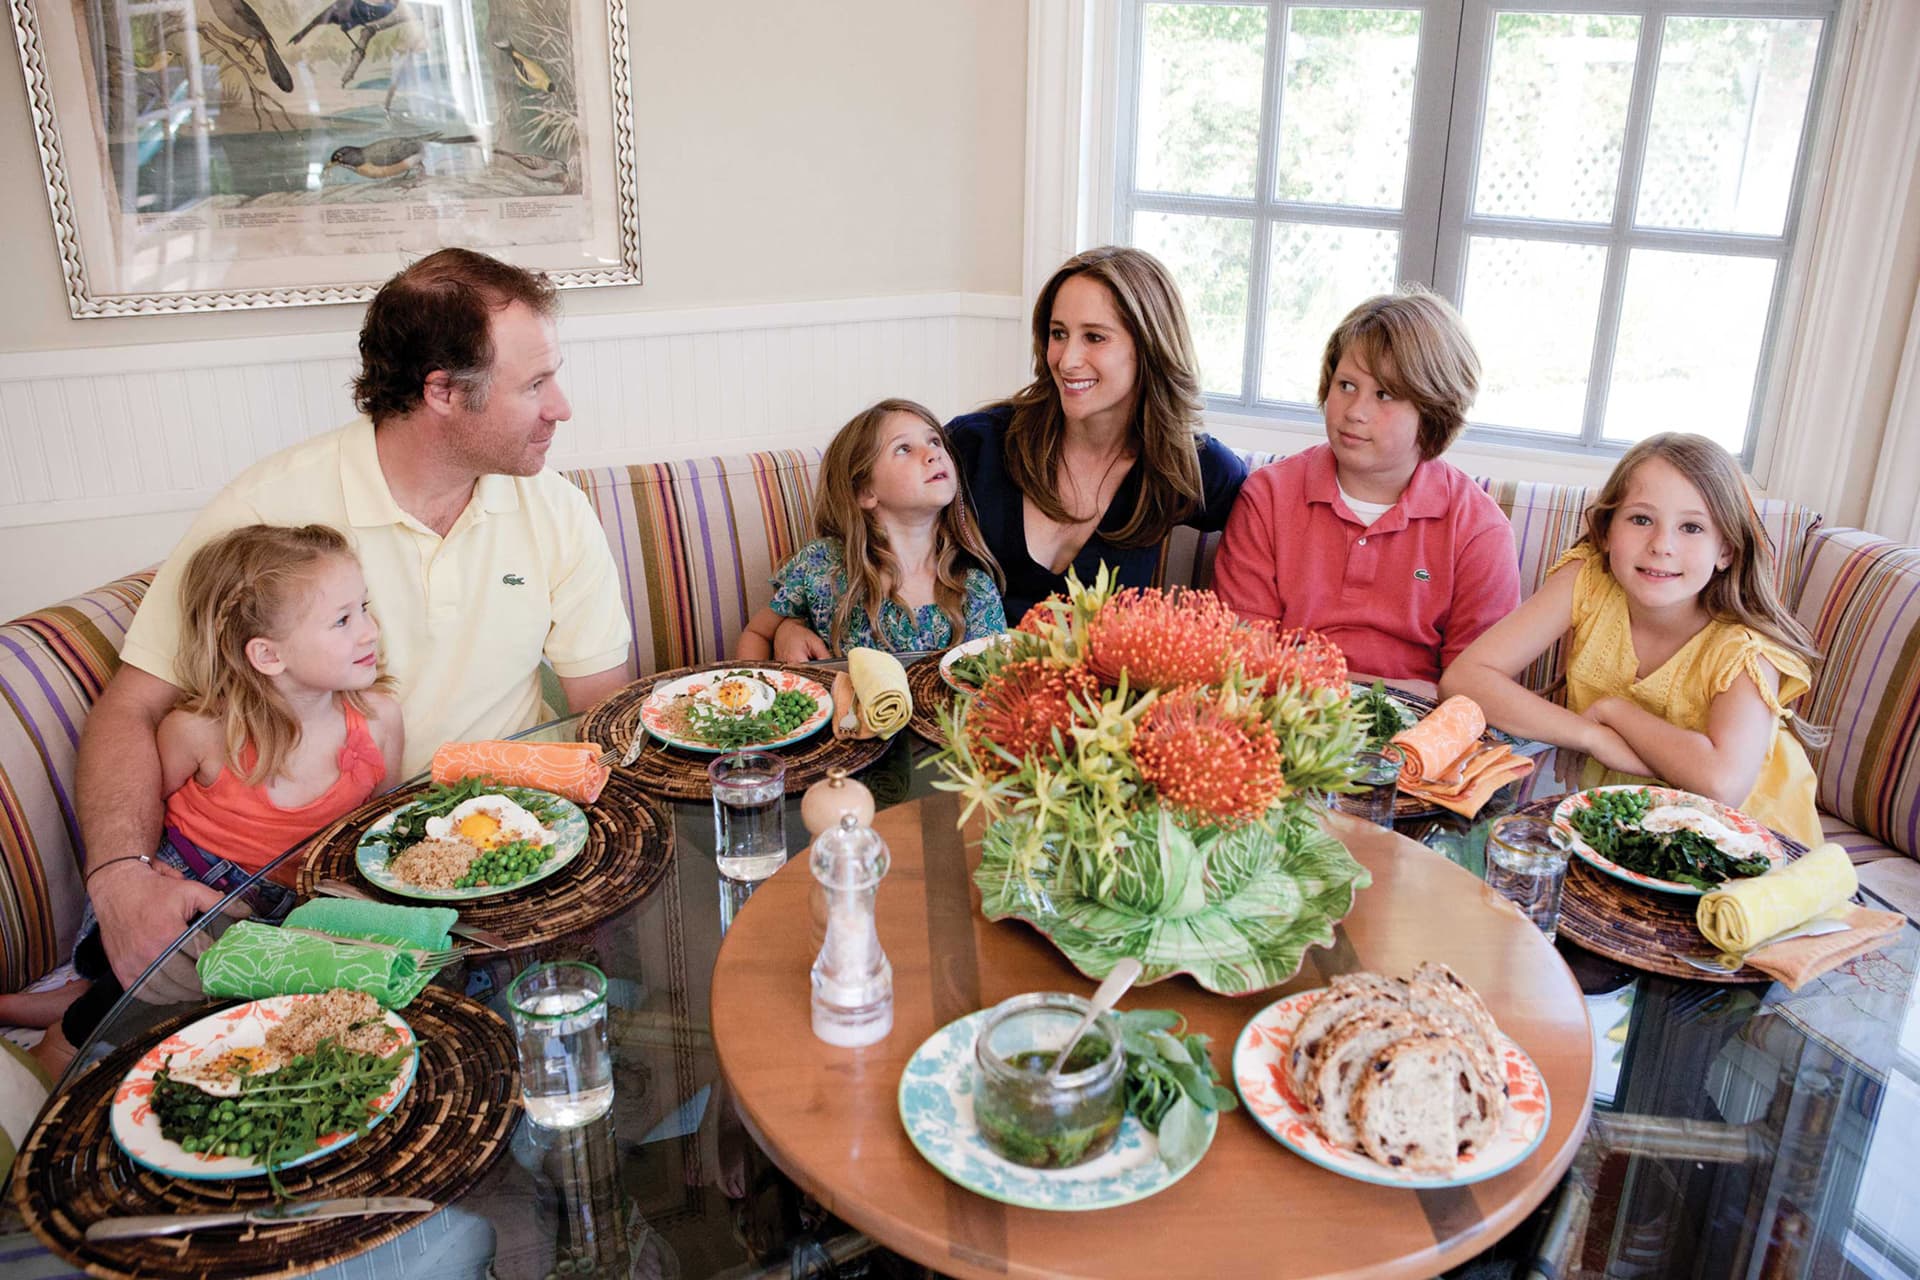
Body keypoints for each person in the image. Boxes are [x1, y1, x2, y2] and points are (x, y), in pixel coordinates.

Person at [74, 248, 633, 997]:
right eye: (534, 383)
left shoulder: (555, 509)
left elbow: (605, 713)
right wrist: (119, 879)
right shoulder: (267, 508)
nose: (560, 405)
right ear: (442, 391)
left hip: (510, 856)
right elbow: (131, 706)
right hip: (316, 886)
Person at [1, 525, 404, 1073]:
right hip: (188, 891)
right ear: (266, 654)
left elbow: (373, 834)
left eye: (364, 608)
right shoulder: (200, 732)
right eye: (342, 620)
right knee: (175, 957)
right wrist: (147, 877)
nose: (369, 632)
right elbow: (153, 811)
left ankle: (74, 993)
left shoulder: (378, 721)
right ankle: (59, 1047)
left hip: (282, 907)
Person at [768, 246, 1246, 657]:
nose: (1067, 358)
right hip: (959, 712)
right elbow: (864, 534)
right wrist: (789, 625)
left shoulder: (1187, 467)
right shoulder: (979, 444)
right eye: (1058, 334)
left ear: (1149, 347)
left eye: (1094, 337)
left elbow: (1279, 512)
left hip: (1092, 722)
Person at [1440, 433, 1825, 846]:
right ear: (1606, 532)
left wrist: (1614, 711)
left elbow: (1722, 784)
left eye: (1692, 527)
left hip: (1745, 842)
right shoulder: (1590, 581)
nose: (1661, 545)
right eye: (1641, 519)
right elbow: (1464, 679)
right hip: (1629, 825)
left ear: (1726, 550)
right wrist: (1590, 735)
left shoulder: (1745, 652)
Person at [1210, 286, 1519, 692]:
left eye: (1384, 394)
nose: (1354, 412)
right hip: (1282, 718)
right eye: (1346, 386)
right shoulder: (1267, 496)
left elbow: (1476, 691)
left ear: (1434, 410)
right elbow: (1243, 659)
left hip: (1421, 736)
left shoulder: (1479, 529)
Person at [737, 399, 1005, 658]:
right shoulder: (822, 564)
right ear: (865, 491)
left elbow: (995, 687)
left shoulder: (974, 588)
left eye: (934, 441)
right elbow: (758, 634)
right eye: (904, 449)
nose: (933, 453)